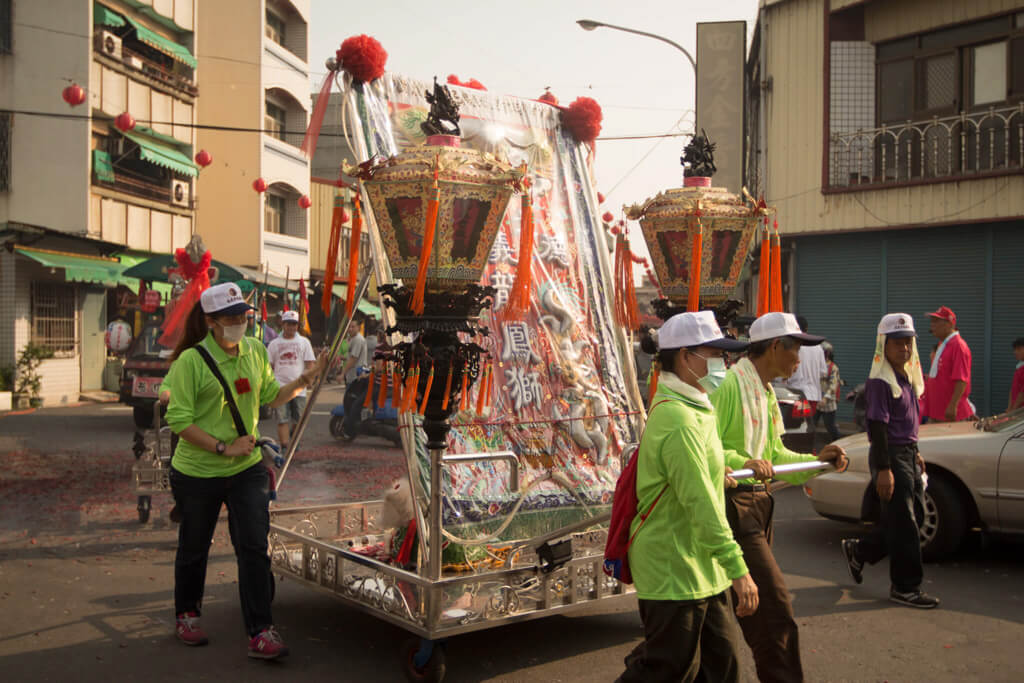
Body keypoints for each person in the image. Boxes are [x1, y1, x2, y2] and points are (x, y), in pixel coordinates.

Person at [163, 282, 323, 659]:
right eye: (232, 317)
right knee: (194, 547)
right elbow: (179, 419)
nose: (240, 323)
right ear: (212, 322)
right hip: (198, 471)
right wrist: (222, 446)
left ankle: (261, 630)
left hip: (247, 467)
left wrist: (303, 381)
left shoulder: (252, 350)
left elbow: (270, 395)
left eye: (244, 316)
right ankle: (187, 614)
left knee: (253, 546)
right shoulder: (191, 362)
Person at [618, 311, 758, 683]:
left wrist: (731, 466)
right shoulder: (678, 419)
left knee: (721, 669)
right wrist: (739, 569)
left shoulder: (697, 409)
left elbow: (704, 468)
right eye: (715, 355)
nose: (723, 365)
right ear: (684, 357)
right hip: (672, 567)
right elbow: (701, 504)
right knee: (669, 671)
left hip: (701, 566)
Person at [709, 311, 848, 683]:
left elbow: (775, 454)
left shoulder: (764, 389)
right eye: (796, 350)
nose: (799, 360)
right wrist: (743, 461)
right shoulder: (730, 385)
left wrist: (818, 462)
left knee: (724, 620)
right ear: (774, 347)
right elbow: (707, 451)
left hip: (759, 506)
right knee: (775, 613)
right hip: (734, 507)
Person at [841, 313, 939, 609]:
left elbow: (907, 421)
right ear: (883, 346)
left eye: (908, 343)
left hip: (907, 452)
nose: (905, 350)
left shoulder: (906, 376)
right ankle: (906, 587)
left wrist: (916, 451)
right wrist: (884, 469)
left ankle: (861, 551)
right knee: (906, 523)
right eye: (897, 344)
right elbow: (879, 427)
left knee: (914, 517)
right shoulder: (879, 381)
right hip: (890, 455)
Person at [267, 310, 316, 450]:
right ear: (283, 324)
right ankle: (284, 446)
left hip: (299, 390)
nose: (292, 327)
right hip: (280, 388)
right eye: (289, 324)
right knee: (282, 419)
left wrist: (309, 379)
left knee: (299, 420)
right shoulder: (274, 344)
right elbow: (269, 366)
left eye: (294, 324)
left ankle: (293, 438)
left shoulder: (304, 342)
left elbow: (310, 363)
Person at [922, 306, 973, 422]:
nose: (932, 325)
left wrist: (953, 405)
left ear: (949, 324)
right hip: (937, 412)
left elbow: (961, 379)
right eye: (932, 321)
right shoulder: (943, 344)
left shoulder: (958, 346)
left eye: (936, 321)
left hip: (948, 414)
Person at [784, 315, 828, 430]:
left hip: (795, 393)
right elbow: (823, 372)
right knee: (805, 429)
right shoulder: (818, 347)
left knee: (794, 430)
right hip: (813, 395)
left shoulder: (793, 346)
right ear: (807, 328)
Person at [814, 341, 842, 445]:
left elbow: (833, 384)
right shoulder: (816, 365)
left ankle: (839, 444)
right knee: (811, 425)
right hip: (816, 401)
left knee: (830, 426)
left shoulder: (833, 368)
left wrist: (825, 398)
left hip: (828, 403)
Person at [339, 316, 368, 388]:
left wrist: (342, 374)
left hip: (356, 377)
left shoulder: (357, 339)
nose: (350, 329)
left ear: (358, 328)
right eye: (349, 327)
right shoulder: (352, 338)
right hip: (352, 376)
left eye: (353, 327)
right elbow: (350, 357)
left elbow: (353, 359)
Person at [1008, 338, 1024, 412]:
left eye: (1019, 349)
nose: (1015, 352)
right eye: (1015, 349)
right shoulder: (1019, 367)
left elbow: (1022, 394)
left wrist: (1013, 410)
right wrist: (1009, 408)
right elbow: (1013, 389)